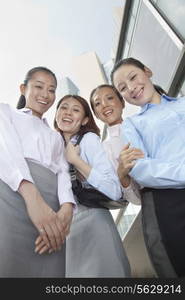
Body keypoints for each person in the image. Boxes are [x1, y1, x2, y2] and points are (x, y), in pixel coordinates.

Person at [36, 94, 131, 277]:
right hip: (65, 230)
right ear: (56, 114)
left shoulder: (88, 140)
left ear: (85, 119)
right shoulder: (52, 145)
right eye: (63, 107)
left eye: (76, 109)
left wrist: (76, 161)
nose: (68, 113)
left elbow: (114, 189)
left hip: (92, 221)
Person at [111, 57, 185, 278]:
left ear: (147, 71)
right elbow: (140, 167)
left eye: (133, 77)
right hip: (172, 202)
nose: (131, 88)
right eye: (123, 88)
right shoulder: (133, 125)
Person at [0, 66, 76, 277]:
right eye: (39, 87)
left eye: (51, 90)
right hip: (12, 197)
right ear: (23, 88)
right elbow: (5, 150)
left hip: (52, 208)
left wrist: (66, 209)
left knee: (50, 269)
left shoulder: (55, 136)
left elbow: (62, 172)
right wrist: (33, 199)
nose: (45, 94)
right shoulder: (5, 111)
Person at [90, 84, 142, 206]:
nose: (104, 105)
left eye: (109, 98)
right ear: (96, 115)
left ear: (122, 102)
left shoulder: (142, 124)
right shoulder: (104, 150)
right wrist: (122, 175)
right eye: (97, 104)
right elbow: (136, 200)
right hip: (155, 202)